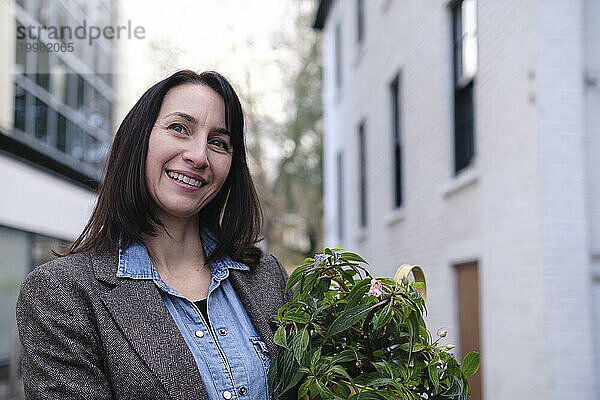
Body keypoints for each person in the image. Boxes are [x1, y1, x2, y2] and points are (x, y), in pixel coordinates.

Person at [16, 70, 292, 400]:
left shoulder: (267, 276)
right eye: (179, 129)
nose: (199, 156)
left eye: (219, 142)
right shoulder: (62, 295)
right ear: (139, 138)